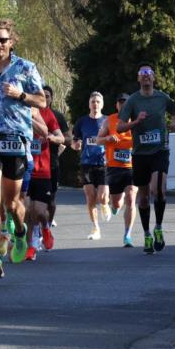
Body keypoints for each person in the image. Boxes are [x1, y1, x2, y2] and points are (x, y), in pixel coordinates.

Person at [0, 19, 45, 278]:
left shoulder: (26, 68)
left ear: (11, 42)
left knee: (12, 202)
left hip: (16, 138)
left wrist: (20, 95)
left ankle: (20, 232)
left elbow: (42, 100)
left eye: (3, 40)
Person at [117, 64, 175, 254]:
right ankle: (146, 234)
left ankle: (158, 227)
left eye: (149, 74)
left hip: (159, 150)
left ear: (154, 78)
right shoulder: (133, 101)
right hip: (140, 154)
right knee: (143, 198)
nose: (146, 77)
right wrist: (136, 122)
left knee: (158, 190)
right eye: (142, 74)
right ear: (138, 79)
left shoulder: (162, 97)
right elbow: (120, 127)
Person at [96, 93, 137, 248]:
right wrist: (107, 139)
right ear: (117, 106)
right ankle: (114, 207)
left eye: (126, 103)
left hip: (132, 167)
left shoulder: (136, 121)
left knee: (132, 198)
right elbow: (98, 139)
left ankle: (127, 234)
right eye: (120, 103)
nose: (123, 106)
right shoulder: (110, 120)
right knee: (117, 202)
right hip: (114, 168)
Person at [25, 105, 63, 260]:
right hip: (25, 170)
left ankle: (46, 227)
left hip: (43, 171)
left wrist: (52, 138)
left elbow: (61, 137)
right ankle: (32, 247)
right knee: (27, 212)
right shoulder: (18, 109)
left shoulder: (48, 114)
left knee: (39, 212)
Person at [72, 92, 108, 240]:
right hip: (86, 163)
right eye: (93, 101)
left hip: (103, 163)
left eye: (98, 102)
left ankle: (106, 204)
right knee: (90, 197)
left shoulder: (107, 121)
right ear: (89, 104)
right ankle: (95, 228)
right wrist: (76, 145)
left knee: (102, 198)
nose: (95, 104)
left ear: (102, 104)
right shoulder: (82, 122)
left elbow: (114, 139)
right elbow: (74, 141)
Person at [41, 85, 70, 230]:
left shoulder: (57, 116)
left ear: (51, 99)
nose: (44, 98)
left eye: (47, 96)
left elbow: (68, 138)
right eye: (42, 95)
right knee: (32, 200)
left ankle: (47, 225)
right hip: (32, 163)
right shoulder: (30, 113)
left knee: (51, 200)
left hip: (51, 163)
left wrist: (54, 138)